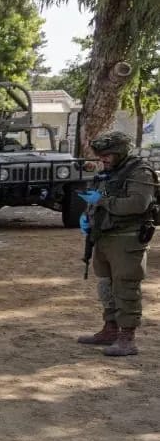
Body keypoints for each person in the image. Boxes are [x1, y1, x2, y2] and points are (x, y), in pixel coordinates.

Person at [76, 131, 156, 356]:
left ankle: (127, 338)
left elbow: (138, 204)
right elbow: (96, 197)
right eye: (101, 155)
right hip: (104, 237)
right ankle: (110, 329)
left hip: (127, 238)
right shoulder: (109, 172)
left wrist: (102, 201)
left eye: (108, 155)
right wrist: (87, 216)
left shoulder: (139, 172)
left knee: (125, 287)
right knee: (106, 285)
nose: (103, 159)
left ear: (120, 152)